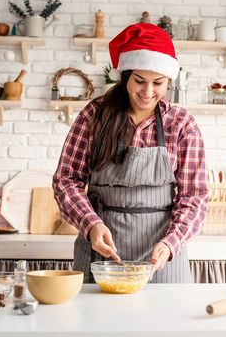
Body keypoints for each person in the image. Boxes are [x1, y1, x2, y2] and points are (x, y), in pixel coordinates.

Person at [53, 23, 210, 283]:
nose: (148, 93)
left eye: (158, 83)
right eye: (139, 81)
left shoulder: (181, 124)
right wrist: (91, 224)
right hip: (100, 252)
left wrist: (172, 242)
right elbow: (66, 180)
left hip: (161, 258)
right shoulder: (94, 115)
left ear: (169, 81)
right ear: (125, 76)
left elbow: (196, 195)